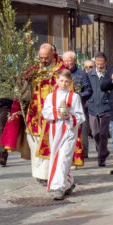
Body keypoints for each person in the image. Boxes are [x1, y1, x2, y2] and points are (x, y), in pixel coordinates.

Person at [20, 43, 65, 184]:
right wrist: (20, 82)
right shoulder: (34, 69)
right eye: (41, 57)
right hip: (34, 114)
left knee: (49, 145)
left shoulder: (61, 70)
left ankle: (47, 174)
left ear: (53, 54)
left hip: (53, 115)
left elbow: (68, 89)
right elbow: (23, 87)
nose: (43, 60)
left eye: (46, 58)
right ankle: (39, 174)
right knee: (34, 145)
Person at [42, 69, 85, 201]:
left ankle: (59, 187)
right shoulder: (51, 97)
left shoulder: (74, 97)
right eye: (61, 81)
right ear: (57, 80)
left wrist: (69, 116)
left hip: (69, 131)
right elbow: (45, 113)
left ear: (70, 82)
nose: (64, 83)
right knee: (56, 156)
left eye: (67, 81)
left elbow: (81, 116)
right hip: (55, 131)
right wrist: (58, 111)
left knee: (64, 158)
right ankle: (69, 182)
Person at [85, 52, 111, 166]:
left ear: (105, 63)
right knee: (95, 133)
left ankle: (101, 158)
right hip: (92, 108)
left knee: (104, 134)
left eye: (102, 64)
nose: (100, 66)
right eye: (98, 64)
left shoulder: (109, 74)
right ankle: (103, 151)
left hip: (106, 108)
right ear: (95, 63)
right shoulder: (89, 74)